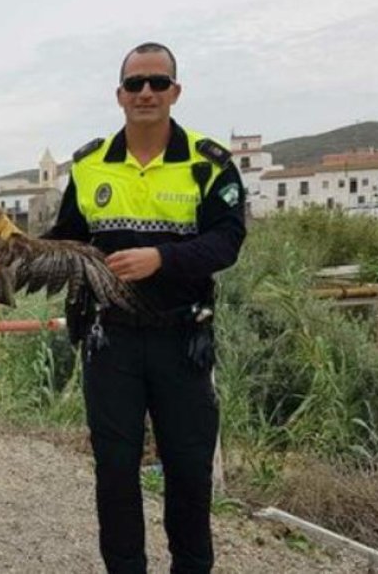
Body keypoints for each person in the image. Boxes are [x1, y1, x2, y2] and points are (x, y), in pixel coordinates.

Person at [44, 42, 246, 573]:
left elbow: (228, 242)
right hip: (110, 341)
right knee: (114, 473)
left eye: (158, 82)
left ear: (176, 91)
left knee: (188, 473)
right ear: (120, 95)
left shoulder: (208, 163)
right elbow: (67, 241)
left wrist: (162, 258)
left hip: (183, 340)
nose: (146, 93)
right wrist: (2, 249)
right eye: (135, 84)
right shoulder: (89, 166)